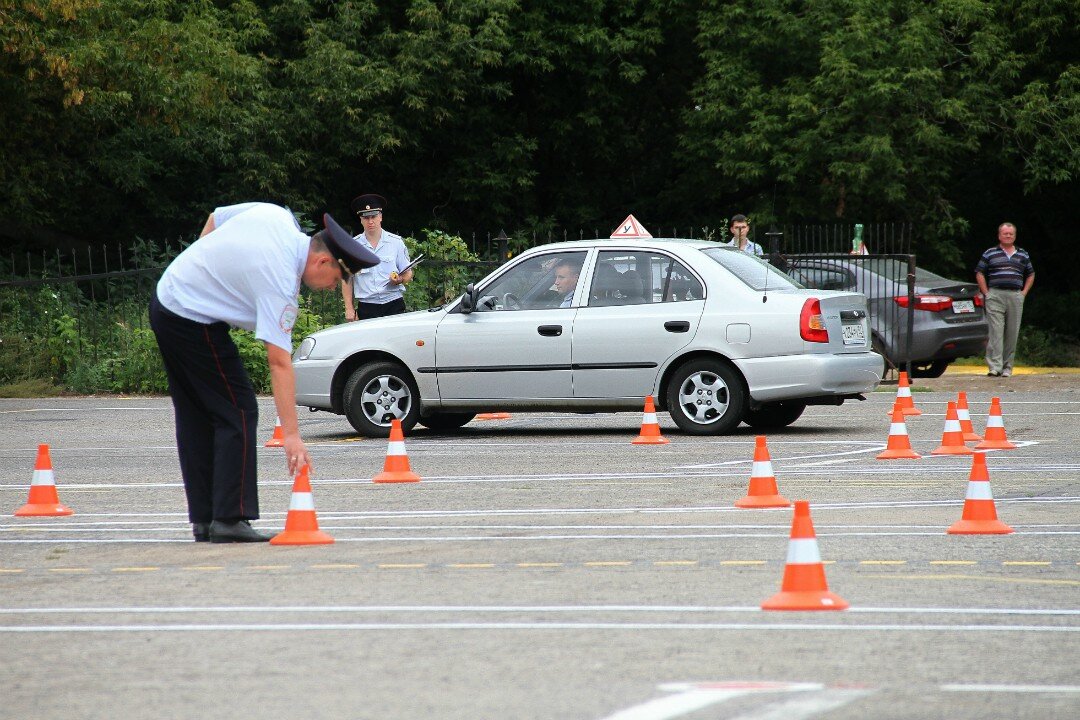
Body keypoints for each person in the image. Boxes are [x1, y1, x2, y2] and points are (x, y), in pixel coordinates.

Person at [150, 203, 378, 542]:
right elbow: (279, 362)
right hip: (191, 317)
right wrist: (291, 436)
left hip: (167, 299)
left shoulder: (277, 216)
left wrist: (198, 267)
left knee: (197, 415)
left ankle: (206, 518)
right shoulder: (281, 282)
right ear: (322, 261)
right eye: (337, 280)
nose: (334, 289)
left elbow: (216, 216)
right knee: (239, 409)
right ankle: (228, 519)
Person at [975, 222, 1035, 378]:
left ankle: (1007, 367)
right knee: (996, 331)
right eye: (1005, 233)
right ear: (999, 235)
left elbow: (1031, 274)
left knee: (1012, 332)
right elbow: (979, 272)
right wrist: (986, 293)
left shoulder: (1023, 254)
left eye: (1011, 234)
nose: (1008, 236)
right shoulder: (990, 253)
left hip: (1015, 295)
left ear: (1014, 236)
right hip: (995, 295)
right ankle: (995, 367)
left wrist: (1023, 293)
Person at [341, 193, 414, 320]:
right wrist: (349, 308)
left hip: (393, 303)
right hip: (367, 306)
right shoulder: (353, 246)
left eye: (373, 217)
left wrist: (400, 280)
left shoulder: (395, 243)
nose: (370, 222)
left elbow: (408, 273)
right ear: (361, 220)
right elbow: (347, 279)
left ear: (380, 217)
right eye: (366, 218)